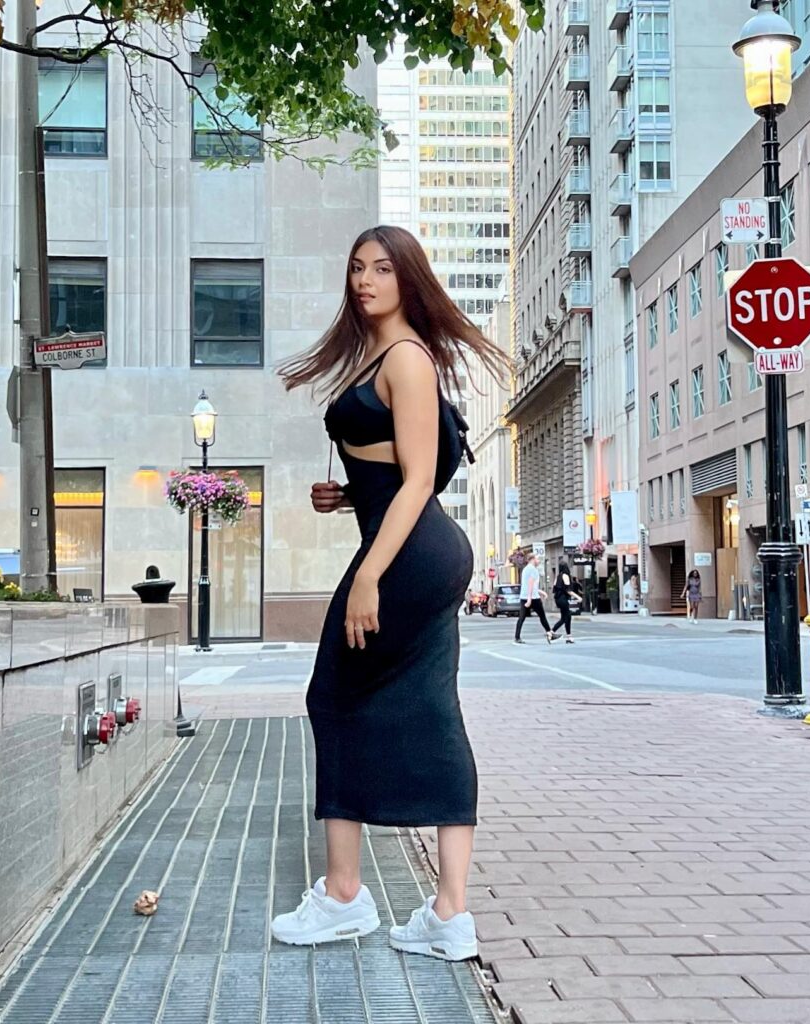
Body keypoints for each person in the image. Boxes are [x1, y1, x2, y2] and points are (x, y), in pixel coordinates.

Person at [275, 225, 507, 961]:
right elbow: (400, 471)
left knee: (333, 697)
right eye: (355, 268)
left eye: (381, 268)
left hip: (409, 556)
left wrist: (369, 573)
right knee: (428, 707)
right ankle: (447, 914)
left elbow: (418, 479)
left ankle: (344, 896)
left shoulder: (405, 357)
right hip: (415, 548)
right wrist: (345, 497)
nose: (364, 280)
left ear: (409, 277)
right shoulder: (386, 355)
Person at [514, 552, 555, 645]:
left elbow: (529, 585)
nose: (538, 561)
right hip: (532, 597)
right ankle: (550, 633)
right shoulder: (533, 570)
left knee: (521, 618)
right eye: (537, 559)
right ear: (532, 560)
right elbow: (530, 584)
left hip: (525, 596)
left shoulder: (525, 569)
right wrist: (530, 599)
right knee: (542, 616)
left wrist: (541, 592)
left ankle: (517, 637)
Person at [550, 561, 578, 644]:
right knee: (565, 618)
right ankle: (551, 633)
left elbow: (554, 588)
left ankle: (569, 637)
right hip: (563, 599)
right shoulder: (565, 576)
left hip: (558, 599)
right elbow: (568, 590)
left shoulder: (558, 576)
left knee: (567, 617)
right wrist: (578, 597)